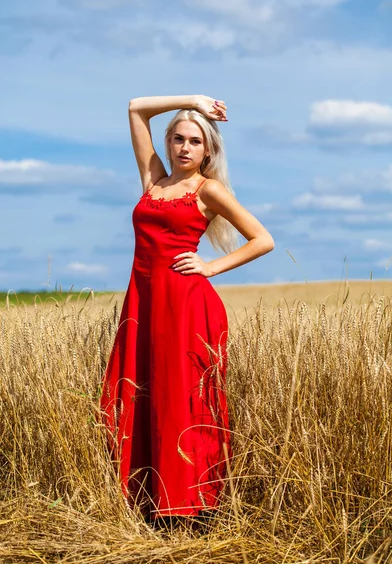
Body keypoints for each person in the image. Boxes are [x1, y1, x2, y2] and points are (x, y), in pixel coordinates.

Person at [99, 94, 274, 526]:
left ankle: (193, 507)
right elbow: (136, 108)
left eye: (195, 141)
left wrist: (210, 266)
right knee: (140, 393)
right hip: (142, 302)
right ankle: (146, 500)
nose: (184, 147)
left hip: (187, 306)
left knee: (184, 400)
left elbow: (262, 239)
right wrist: (192, 98)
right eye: (178, 138)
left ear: (207, 150)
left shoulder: (207, 189)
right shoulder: (153, 180)